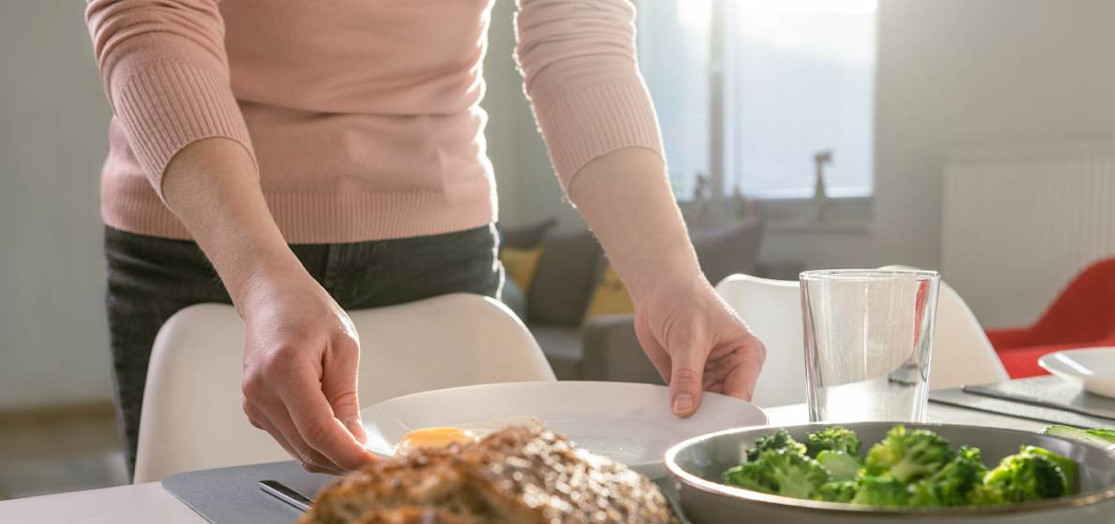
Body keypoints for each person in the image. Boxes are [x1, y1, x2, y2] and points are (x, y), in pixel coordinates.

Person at [86, 0, 766, 477]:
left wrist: (671, 276)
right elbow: (152, 16)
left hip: (437, 242)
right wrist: (260, 274)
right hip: (207, 233)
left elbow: (580, 37)